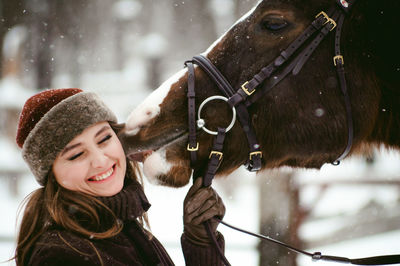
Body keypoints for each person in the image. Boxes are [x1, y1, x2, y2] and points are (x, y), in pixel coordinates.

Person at [14, 88, 226, 265]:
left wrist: (201, 243)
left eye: (104, 138)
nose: (100, 160)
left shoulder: (123, 227)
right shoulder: (61, 255)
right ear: (52, 175)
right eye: (77, 154)